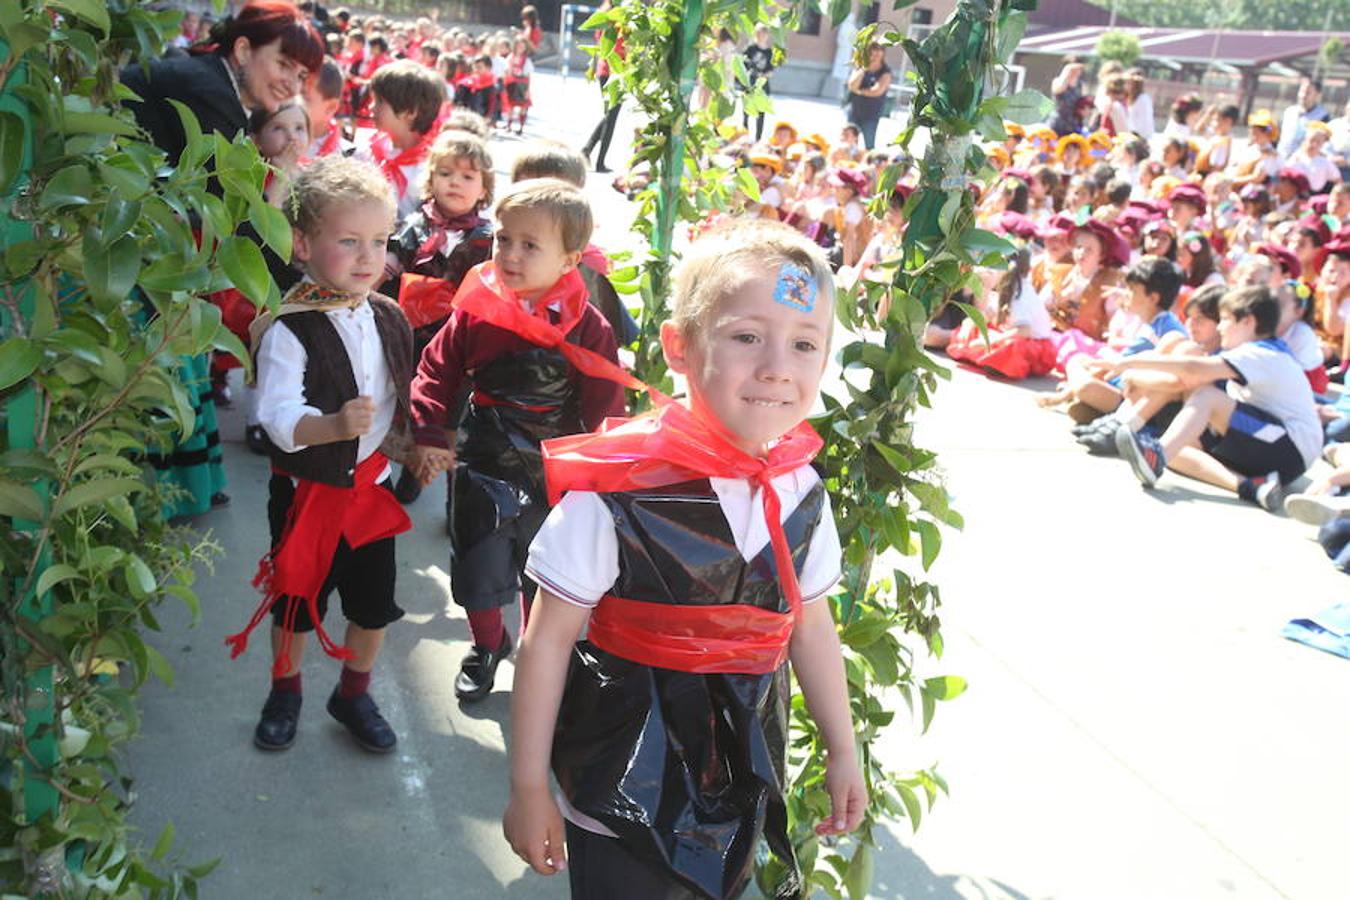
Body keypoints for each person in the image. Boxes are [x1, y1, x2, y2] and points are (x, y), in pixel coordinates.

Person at [502, 220, 864, 899]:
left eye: (805, 343)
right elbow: (546, 642)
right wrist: (527, 786)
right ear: (679, 345)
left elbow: (811, 626)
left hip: (741, 770)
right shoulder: (616, 491)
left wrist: (844, 752)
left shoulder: (802, 490)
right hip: (622, 775)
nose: (776, 367)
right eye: (746, 336)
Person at [409, 179, 631, 702]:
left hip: (556, 467)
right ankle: (487, 644)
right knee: (477, 565)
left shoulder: (588, 325)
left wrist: (604, 481)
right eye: (503, 239)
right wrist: (427, 432)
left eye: (530, 245)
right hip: (483, 454)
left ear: (569, 259)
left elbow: (605, 406)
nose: (509, 253)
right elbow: (436, 370)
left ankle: (538, 658)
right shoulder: (476, 306)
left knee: (544, 572)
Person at [228, 155, 415, 753]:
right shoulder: (290, 327)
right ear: (303, 245)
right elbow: (276, 417)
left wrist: (418, 450)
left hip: (371, 491)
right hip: (307, 494)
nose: (369, 257)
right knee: (295, 601)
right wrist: (331, 425)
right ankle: (285, 691)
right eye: (349, 241)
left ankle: (353, 692)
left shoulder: (388, 315)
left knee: (374, 604)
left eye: (379, 241)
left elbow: (397, 398)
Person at [1110, 285, 1321, 511]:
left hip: (1290, 448)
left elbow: (1192, 369)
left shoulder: (1262, 354)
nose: (1220, 327)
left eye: (1225, 319)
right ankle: (1250, 486)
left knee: (1207, 397)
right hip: (1275, 448)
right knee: (1181, 444)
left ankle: (1156, 457)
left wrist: (1133, 362)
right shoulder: (1254, 352)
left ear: (1248, 321)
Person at [359, 59, 445, 220]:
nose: (371, 107)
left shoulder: (430, 166)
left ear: (410, 112)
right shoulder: (369, 153)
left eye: (379, 101)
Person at [581, 0, 623, 173]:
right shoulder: (619, 19)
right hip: (616, 70)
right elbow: (620, 46)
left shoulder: (603, 16)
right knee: (611, 117)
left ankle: (587, 150)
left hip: (605, 70)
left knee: (609, 115)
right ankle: (599, 162)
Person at [845, 43, 891, 151]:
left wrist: (860, 91)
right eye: (873, 50)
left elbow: (877, 91)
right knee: (849, 144)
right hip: (854, 111)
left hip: (871, 114)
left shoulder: (885, 71)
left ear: (883, 53)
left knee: (869, 146)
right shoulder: (860, 66)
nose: (876, 53)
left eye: (879, 50)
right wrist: (864, 68)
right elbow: (852, 85)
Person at [1278, 77, 1331, 160]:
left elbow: (1323, 142)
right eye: (1302, 91)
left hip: (1303, 163)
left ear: (1317, 95)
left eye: (1308, 92)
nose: (1303, 95)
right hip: (1281, 158)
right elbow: (1277, 132)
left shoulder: (1323, 116)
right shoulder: (1289, 111)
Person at [741, 23, 776, 142]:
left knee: (761, 112)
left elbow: (771, 70)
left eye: (764, 33)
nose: (762, 36)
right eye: (760, 33)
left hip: (762, 86)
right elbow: (743, 64)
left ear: (767, 35)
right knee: (746, 110)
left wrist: (763, 76)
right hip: (750, 83)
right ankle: (743, 135)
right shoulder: (750, 49)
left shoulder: (770, 52)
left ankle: (758, 139)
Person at [501, 36, 535, 135]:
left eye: (522, 46)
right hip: (511, 83)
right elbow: (506, 70)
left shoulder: (526, 60)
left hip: (522, 84)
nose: (520, 48)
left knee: (523, 106)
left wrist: (528, 89)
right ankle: (509, 125)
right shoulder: (510, 57)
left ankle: (521, 127)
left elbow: (528, 75)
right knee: (510, 105)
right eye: (518, 45)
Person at [1048, 57, 1085, 137]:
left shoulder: (1079, 84)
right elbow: (1058, 89)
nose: (1077, 71)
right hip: (1058, 123)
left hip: (1073, 124)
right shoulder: (1058, 81)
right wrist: (1067, 71)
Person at [1124, 68, 1154, 139]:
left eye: (1129, 82)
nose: (1126, 84)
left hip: (1139, 139)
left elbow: (1145, 125)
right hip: (1128, 136)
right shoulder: (1125, 97)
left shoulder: (1143, 100)